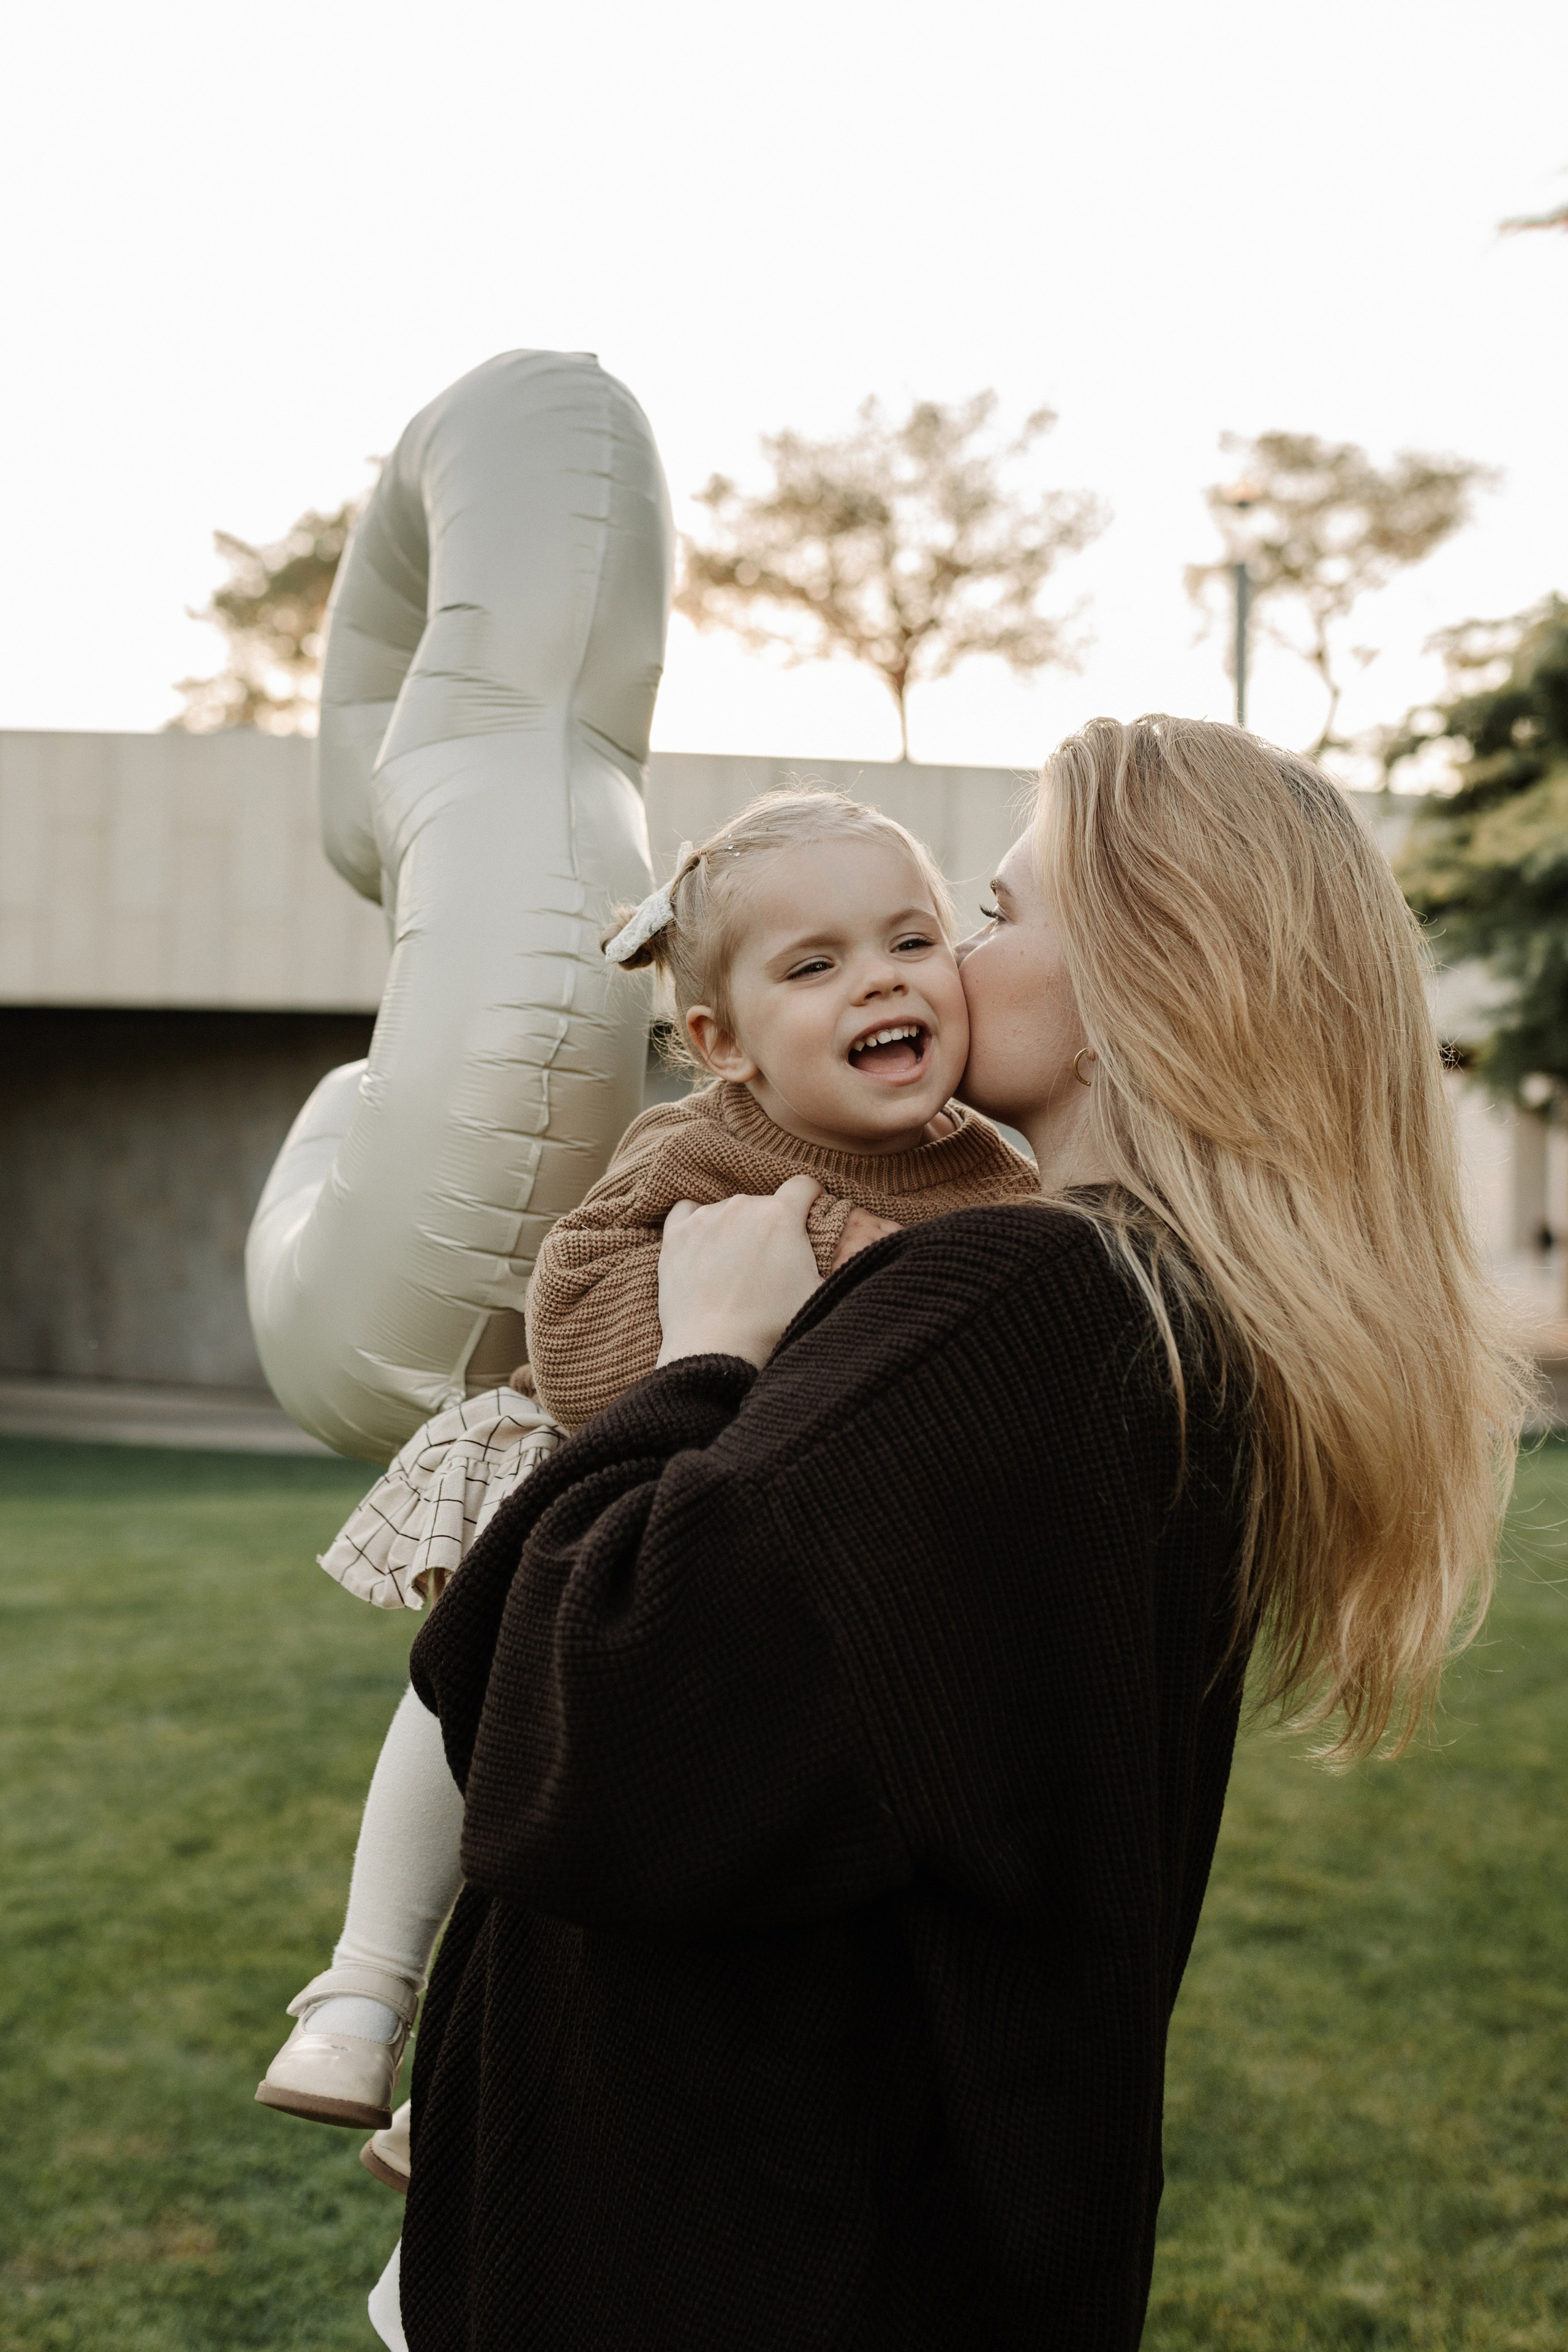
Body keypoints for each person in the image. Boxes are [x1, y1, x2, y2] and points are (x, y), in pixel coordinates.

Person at [377, 715, 1526, 2350]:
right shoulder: (1148, 1319)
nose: (950, 966)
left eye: (987, 915)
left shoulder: (1026, 1306)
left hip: (748, 2260)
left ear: (1149, 977)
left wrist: (699, 1360)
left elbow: (588, 1720)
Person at [255, 791, 1039, 2180]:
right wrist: (766, 1307)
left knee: (637, 1834)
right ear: (718, 1043)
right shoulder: (704, 1147)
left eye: (913, 939)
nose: (879, 979)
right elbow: (578, 1292)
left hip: (780, 1562)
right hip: (605, 1479)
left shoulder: (991, 1180)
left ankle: (479, 2083)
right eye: (813, 966)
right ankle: (363, 1987)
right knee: (466, 1704)